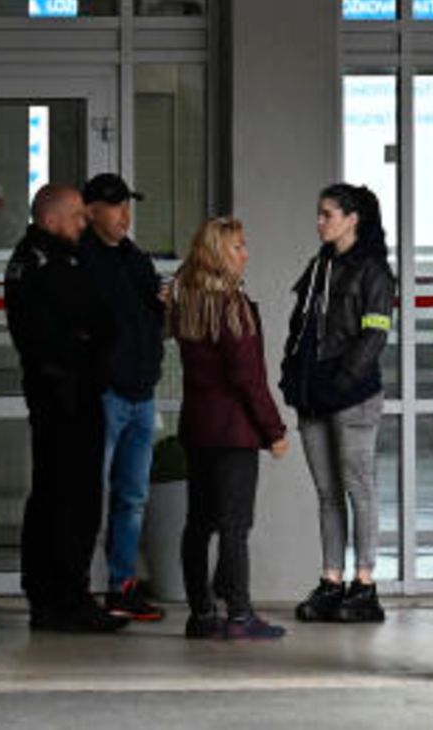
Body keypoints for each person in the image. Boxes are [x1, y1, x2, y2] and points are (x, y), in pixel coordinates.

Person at [4, 182, 124, 633]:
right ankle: (65, 598)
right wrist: (89, 343)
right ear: (51, 219)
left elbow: (97, 320)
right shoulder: (43, 261)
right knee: (69, 498)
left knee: (59, 495)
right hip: (63, 395)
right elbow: (89, 317)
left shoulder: (51, 256)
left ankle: (55, 595)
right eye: (77, 216)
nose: (84, 223)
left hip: (69, 392)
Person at [279, 183, 395, 624]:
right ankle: (332, 580)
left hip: (353, 398)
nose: (319, 222)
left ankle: (364, 585)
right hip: (312, 397)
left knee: (357, 489)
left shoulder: (374, 273)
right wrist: (292, 376)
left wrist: (343, 381)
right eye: (319, 213)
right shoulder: (318, 268)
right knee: (327, 494)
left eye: (327, 214)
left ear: (352, 219)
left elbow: (375, 335)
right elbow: (301, 328)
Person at [170, 217, 290, 640]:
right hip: (234, 433)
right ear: (221, 253)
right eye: (238, 246)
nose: (246, 253)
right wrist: (273, 430)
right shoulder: (231, 306)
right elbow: (247, 379)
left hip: (198, 429)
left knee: (199, 522)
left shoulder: (187, 302)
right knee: (235, 524)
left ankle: (202, 613)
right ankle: (239, 615)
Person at [79, 173, 166, 622]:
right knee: (88, 494)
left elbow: (153, 316)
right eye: (114, 206)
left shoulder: (135, 259)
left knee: (132, 498)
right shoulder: (81, 259)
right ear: (90, 210)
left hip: (141, 393)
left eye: (127, 205)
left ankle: (121, 586)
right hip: (106, 394)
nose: (124, 214)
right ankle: (78, 589)